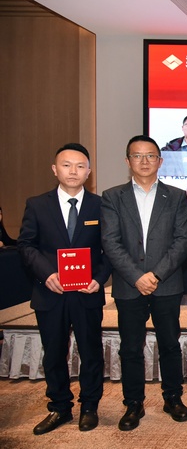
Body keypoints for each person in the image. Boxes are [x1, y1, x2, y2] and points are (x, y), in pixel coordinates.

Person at [17, 143, 112, 435]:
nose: (73, 171)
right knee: (54, 353)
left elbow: (110, 248)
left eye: (80, 166)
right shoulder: (37, 204)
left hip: (87, 293)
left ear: (89, 172)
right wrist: (46, 274)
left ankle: (89, 406)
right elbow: (26, 245)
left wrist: (100, 278)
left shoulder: (101, 205)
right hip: (50, 293)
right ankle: (59, 407)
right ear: (55, 169)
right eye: (67, 165)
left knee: (91, 351)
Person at [101, 135, 187, 431]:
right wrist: (137, 276)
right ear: (127, 161)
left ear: (160, 161)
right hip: (129, 285)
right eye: (137, 156)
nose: (144, 161)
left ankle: (173, 398)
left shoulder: (176, 196)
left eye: (150, 155)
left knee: (170, 344)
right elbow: (110, 242)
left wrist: (156, 274)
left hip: (167, 284)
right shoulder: (112, 196)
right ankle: (133, 403)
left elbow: (182, 240)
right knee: (130, 348)